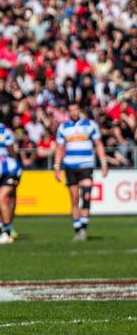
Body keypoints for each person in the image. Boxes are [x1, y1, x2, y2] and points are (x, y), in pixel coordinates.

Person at [54, 103, 108, 241]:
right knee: (74, 198)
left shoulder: (90, 125)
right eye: (71, 110)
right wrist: (57, 167)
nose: (74, 112)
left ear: (79, 110)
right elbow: (59, 148)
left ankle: (83, 227)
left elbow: (98, 144)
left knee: (87, 195)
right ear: (68, 112)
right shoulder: (63, 127)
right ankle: (77, 229)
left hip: (86, 165)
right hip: (70, 166)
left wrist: (103, 163)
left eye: (76, 109)